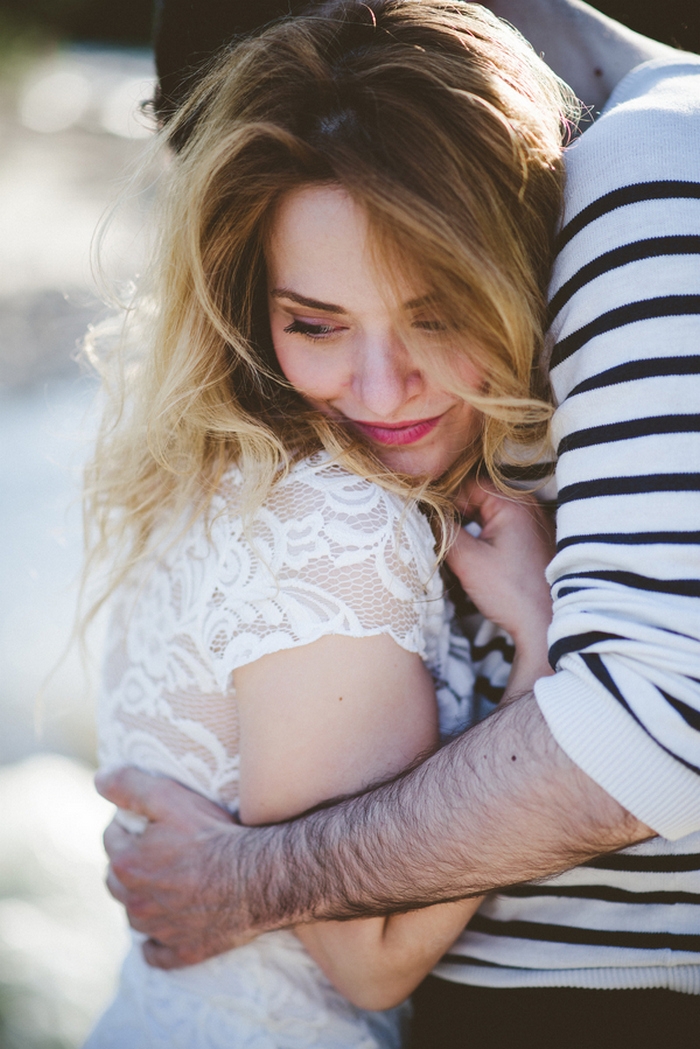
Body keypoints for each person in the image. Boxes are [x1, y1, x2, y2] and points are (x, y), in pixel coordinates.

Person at [97, 1, 700, 1045]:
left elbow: (660, 726)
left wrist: (245, 878)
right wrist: (533, 642)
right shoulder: (331, 510)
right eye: (315, 321)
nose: (381, 384)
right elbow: (366, 958)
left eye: (438, 309)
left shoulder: (651, 163)